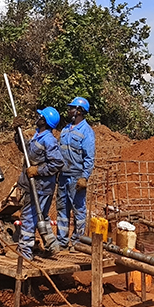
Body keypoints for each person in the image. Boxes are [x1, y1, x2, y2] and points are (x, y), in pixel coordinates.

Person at [17, 106, 64, 260]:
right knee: (40, 217)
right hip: (36, 185)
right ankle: (52, 245)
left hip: (41, 187)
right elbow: (25, 150)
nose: (37, 118)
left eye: (40, 116)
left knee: (30, 218)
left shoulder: (48, 140)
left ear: (45, 121)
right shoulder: (38, 135)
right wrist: (16, 133)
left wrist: (38, 171)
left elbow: (57, 163)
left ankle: (25, 253)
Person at [55, 96, 95, 248]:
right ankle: (62, 241)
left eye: (71, 108)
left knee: (78, 209)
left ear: (79, 111)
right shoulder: (66, 129)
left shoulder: (87, 131)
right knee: (62, 208)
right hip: (64, 176)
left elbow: (89, 157)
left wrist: (84, 177)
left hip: (77, 177)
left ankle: (77, 242)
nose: (68, 110)